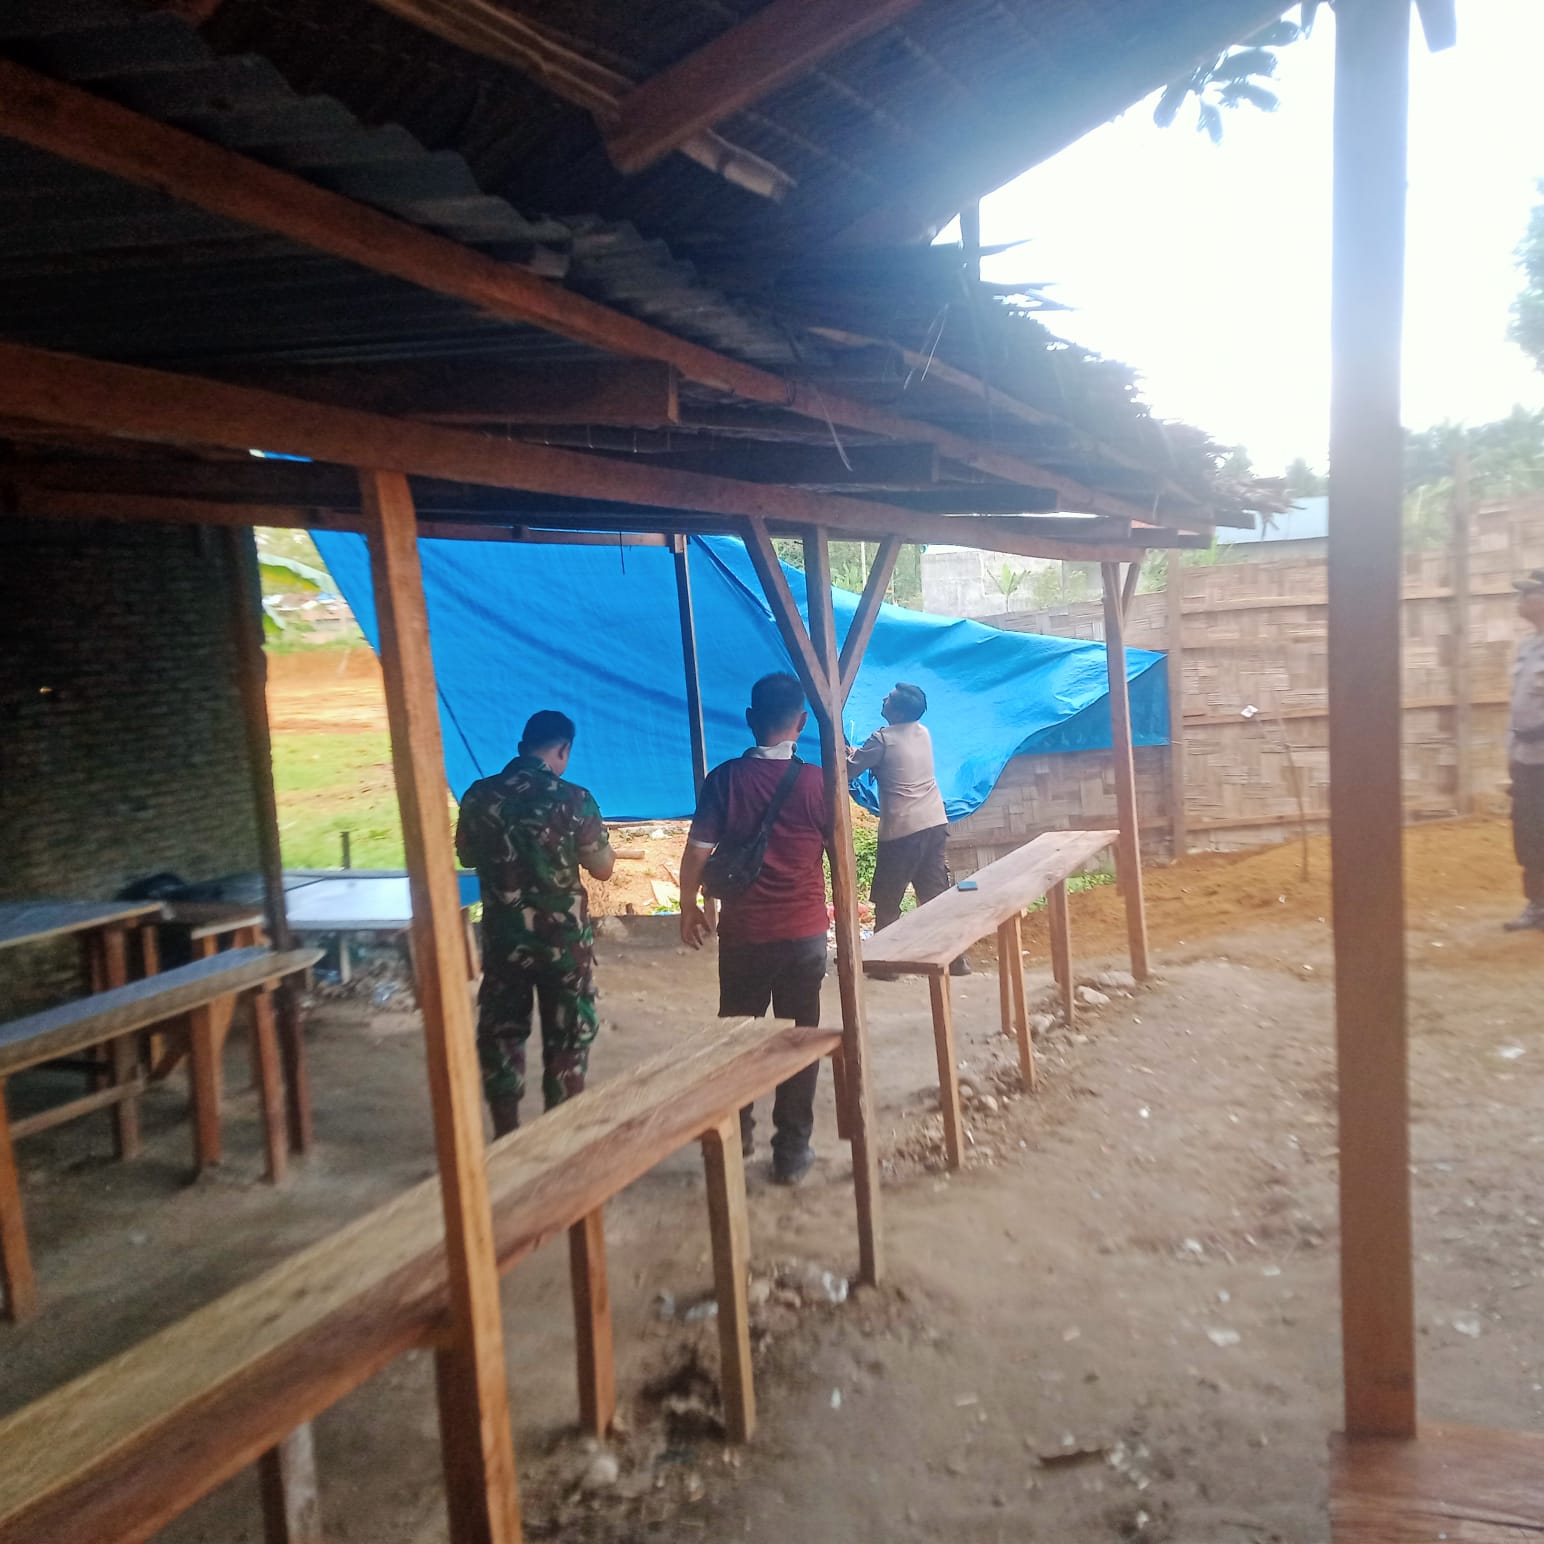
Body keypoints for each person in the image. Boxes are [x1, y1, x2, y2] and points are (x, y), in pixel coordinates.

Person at [679, 673, 830, 1185]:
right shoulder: (817, 783)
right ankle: (792, 1150)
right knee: (799, 1040)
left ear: (749, 719)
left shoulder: (724, 780)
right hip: (805, 934)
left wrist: (688, 907)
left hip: (745, 935)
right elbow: (839, 856)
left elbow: (697, 853)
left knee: (738, 1036)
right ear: (802, 722)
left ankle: (738, 1133)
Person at [455, 710, 615, 1136]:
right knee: (568, 1037)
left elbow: (467, 855)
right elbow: (602, 868)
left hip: (505, 941)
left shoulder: (479, 796)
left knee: (502, 1033)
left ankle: (507, 1135)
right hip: (564, 945)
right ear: (563, 749)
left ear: (522, 747)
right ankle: (559, 1138)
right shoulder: (575, 799)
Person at [847, 681, 969, 975]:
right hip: (934, 822)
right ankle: (955, 960)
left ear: (898, 712)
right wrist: (860, 754)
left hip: (902, 829)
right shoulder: (922, 733)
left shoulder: (882, 739)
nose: (883, 699)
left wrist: (847, 753)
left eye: (889, 698)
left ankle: (885, 964)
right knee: (934, 893)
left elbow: (849, 769)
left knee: (888, 897)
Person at [1504, 569, 1544, 932]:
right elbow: (1518, 707)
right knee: (1528, 834)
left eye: (1528, 593)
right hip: (1526, 759)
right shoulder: (1529, 647)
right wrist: (1511, 752)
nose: (1520, 600)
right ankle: (1538, 905)